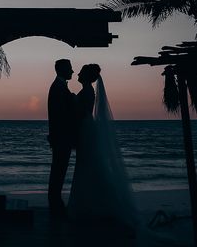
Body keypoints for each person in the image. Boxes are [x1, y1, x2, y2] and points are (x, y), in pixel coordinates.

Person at [67, 63, 138, 231]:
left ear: (85, 76)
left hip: (85, 128)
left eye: (81, 72)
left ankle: (91, 205)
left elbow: (81, 112)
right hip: (86, 128)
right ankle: (92, 203)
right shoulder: (88, 91)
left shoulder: (87, 91)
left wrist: (72, 101)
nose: (77, 73)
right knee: (88, 166)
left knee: (87, 166)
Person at [46, 58, 77, 217]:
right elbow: (60, 115)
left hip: (61, 137)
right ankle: (55, 205)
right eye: (70, 68)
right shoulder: (58, 87)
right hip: (61, 138)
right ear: (62, 69)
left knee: (59, 171)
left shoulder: (59, 86)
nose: (72, 71)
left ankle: (55, 203)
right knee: (58, 171)